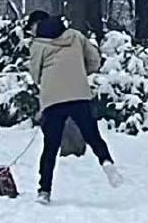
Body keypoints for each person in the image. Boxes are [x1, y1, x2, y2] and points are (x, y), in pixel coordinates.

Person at [26, 14, 122, 203]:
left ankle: (44, 191)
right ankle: (107, 162)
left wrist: (46, 82)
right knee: (92, 135)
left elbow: (35, 73)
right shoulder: (75, 35)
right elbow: (94, 59)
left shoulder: (38, 44)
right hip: (79, 94)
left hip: (53, 97)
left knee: (50, 146)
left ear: (37, 25)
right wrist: (79, 72)